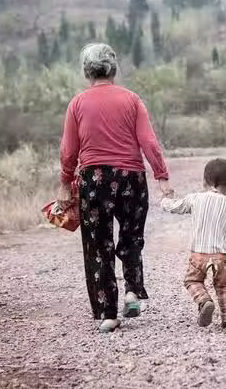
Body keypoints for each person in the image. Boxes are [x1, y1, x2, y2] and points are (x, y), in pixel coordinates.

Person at [57, 43, 173, 333]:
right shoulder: (132, 100)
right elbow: (148, 141)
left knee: (98, 245)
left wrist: (65, 182)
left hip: (94, 180)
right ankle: (132, 291)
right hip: (132, 178)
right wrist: (161, 175)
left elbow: (69, 150)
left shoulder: (77, 104)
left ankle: (108, 314)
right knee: (132, 237)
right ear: (113, 69)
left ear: (87, 71)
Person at [160, 158, 226, 331]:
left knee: (192, 280)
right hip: (223, 256)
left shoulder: (195, 199)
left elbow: (175, 206)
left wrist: (166, 200)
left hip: (199, 254)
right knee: (225, 286)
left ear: (204, 181)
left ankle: (204, 301)